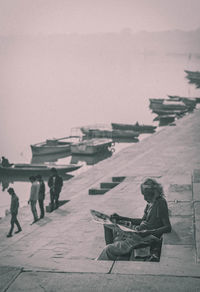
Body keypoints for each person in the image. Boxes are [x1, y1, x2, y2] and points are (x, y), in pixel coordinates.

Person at [97, 178, 171, 261]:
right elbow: (142, 220)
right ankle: (112, 255)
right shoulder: (150, 202)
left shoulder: (160, 203)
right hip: (139, 231)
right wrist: (121, 218)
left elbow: (168, 227)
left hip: (145, 237)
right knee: (108, 225)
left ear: (154, 193)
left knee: (108, 249)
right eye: (144, 195)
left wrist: (149, 232)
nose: (144, 198)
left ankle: (109, 254)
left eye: (146, 195)